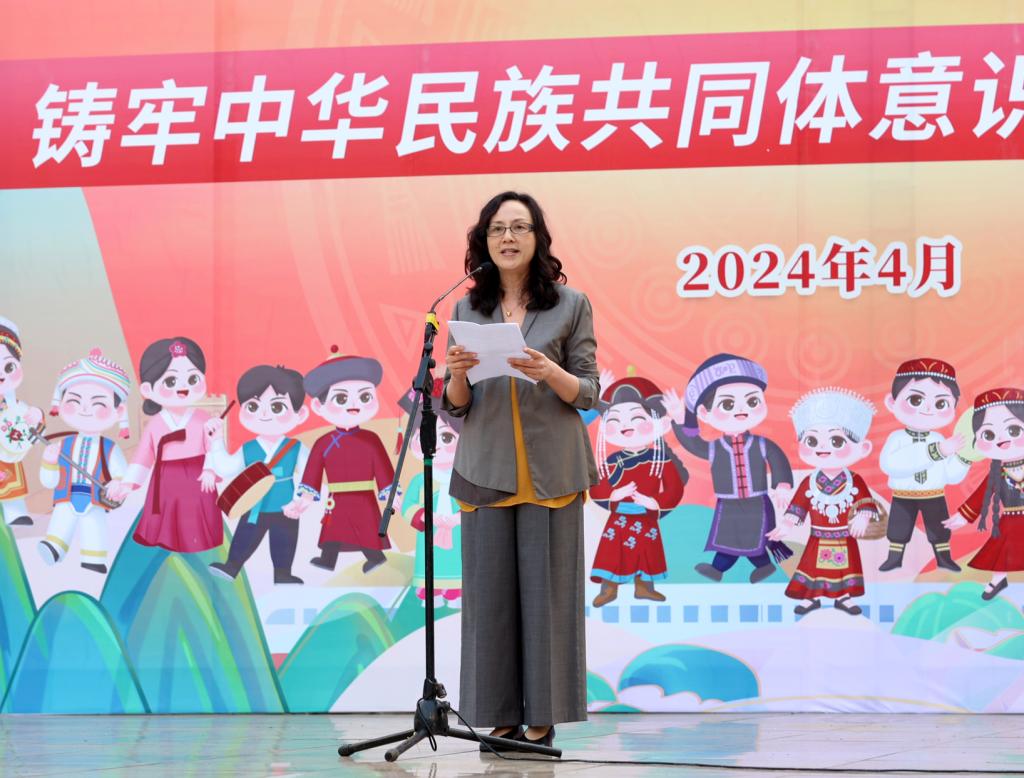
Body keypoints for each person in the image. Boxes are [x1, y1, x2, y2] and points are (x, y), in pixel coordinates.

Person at [443, 191, 598, 749]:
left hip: (552, 471)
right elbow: (456, 406)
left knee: (546, 603)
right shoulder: (465, 310)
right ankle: (499, 718)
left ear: (538, 238)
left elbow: (588, 392)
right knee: (490, 605)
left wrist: (549, 371)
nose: (507, 237)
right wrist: (456, 374)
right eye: (497, 229)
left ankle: (543, 718)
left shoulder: (570, 304)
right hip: (485, 469)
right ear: (483, 241)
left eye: (520, 227)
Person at [663, 353, 794, 583]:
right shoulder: (715, 447)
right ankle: (720, 568)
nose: (741, 410)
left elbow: (778, 459)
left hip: (757, 502)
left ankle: (759, 566)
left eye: (752, 402)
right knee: (728, 539)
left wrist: (782, 484)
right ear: (704, 413)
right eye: (728, 404)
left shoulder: (761, 445)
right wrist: (680, 418)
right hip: (728, 504)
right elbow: (694, 444)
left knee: (755, 537)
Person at [767, 388, 881, 615]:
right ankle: (811, 598)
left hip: (844, 536)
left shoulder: (855, 481)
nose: (822, 447)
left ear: (863, 448)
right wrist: (786, 525)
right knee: (812, 568)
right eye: (811, 440)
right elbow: (798, 507)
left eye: (836, 441)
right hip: (818, 537)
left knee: (845, 569)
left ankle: (844, 597)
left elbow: (865, 503)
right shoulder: (809, 482)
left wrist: (863, 517)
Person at [106, 337, 222, 553]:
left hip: (198, 477)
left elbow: (214, 450)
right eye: (171, 381)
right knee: (169, 523)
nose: (183, 388)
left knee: (196, 520)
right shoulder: (156, 424)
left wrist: (210, 469)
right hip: (166, 479)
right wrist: (128, 484)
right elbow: (143, 457)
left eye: (193, 379)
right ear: (148, 389)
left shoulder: (203, 419)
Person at [283, 350, 395, 574]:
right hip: (337, 497)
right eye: (341, 399)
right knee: (333, 529)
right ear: (319, 406)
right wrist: (303, 501)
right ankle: (328, 559)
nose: (353, 405)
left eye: (364, 397)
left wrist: (392, 494)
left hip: (364, 496)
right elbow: (313, 473)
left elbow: (383, 469)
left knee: (366, 528)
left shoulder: (371, 440)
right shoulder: (323, 443)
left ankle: (375, 557)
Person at [204, 364, 311, 585]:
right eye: (253, 406)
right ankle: (232, 566)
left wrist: (300, 501)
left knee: (285, 541)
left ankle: (283, 573)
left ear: (300, 414)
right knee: (244, 537)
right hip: (253, 502)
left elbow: (310, 475)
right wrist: (216, 442)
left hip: (286, 505)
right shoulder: (248, 448)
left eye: (277, 407)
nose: (263, 415)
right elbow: (226, 468)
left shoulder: (295, 447)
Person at [590, 376, 687, 607]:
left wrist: (654, 502)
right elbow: (597, 486)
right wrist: (614, 494)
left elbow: (675, 487)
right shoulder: (613, 460)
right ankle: (609, 589)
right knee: (613, 553)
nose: (626, 426)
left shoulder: (660, 458)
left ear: (658, 423)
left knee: (647, 553)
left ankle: (644, 588)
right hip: (619, 518)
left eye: (637, 418)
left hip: (646, 516)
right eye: (615, 420)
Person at [37, 348, 131, 573]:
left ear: (118, 411)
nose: (85, 409)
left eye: (98, 403)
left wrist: (117, 483)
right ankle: (54, 548)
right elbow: (49, 482)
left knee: (94, 528)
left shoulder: (110, 448)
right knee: (61, 521)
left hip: (95, 497)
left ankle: (93, 559)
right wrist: (49, 463)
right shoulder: (63, 445)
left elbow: (122, 475)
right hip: (66, 496)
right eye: (74, 401)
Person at [878, 358, 970, 572]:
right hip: (903, 494)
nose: (928, 409)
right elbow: (890, 464)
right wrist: (936, 451)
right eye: (916, 400)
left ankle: (944, 558)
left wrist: (964, 458)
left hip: (934, 494)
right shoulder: (897, 438)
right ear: (892, 402)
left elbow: (950, 476)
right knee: (899, 527)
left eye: (941, 404)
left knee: (939, 527)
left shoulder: (938, 438)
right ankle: (894, 558)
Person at [944, 388, 1024, 600]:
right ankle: (998, 579)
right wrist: (963, 516)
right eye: (988, 435)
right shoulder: (998, 471)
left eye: (1014, 430)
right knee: (1000, 550)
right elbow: (982, 495)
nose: (1002, 440)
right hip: (1010, 519)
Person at [0, 316, 44, 526]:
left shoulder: (14, 406)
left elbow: (32, 428)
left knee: (10, 485)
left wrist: (35, 417)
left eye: (8, 367)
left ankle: (15, 513)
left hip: (7, 454)